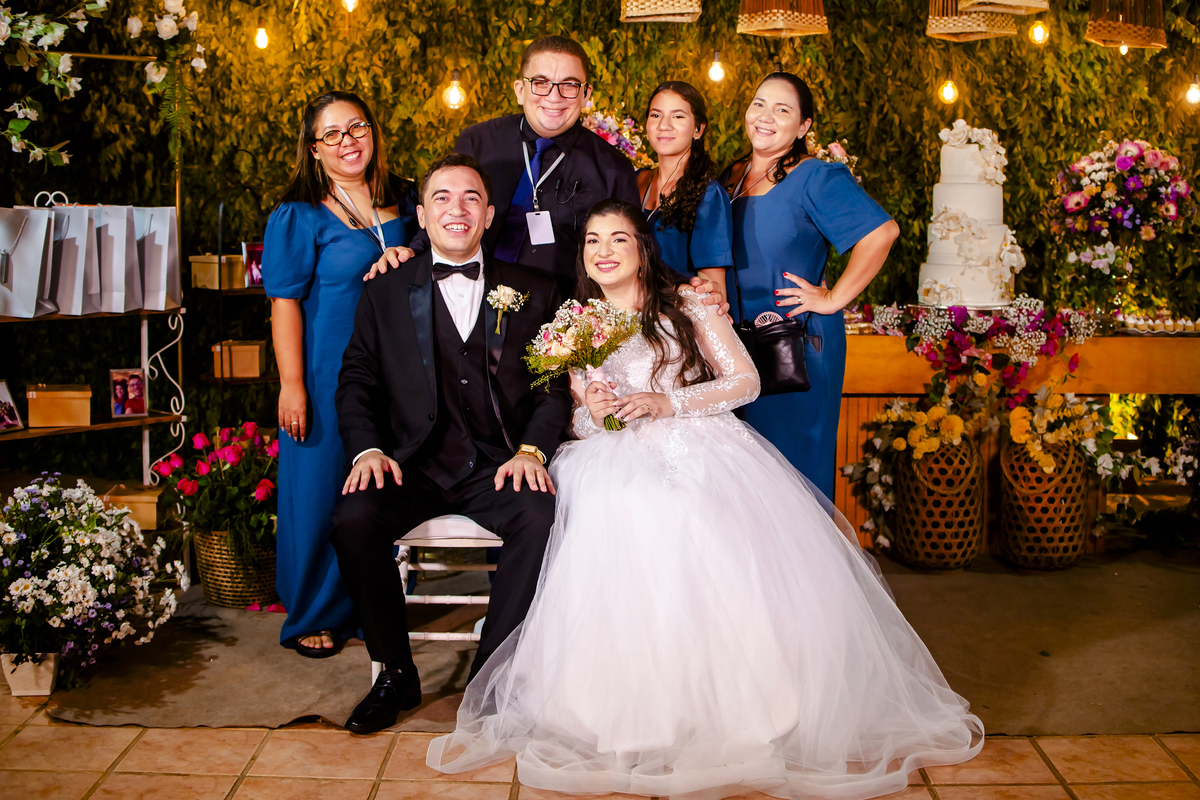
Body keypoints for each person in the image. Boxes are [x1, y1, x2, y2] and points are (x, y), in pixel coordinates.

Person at [426, 200, 983, 798]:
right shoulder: (573, 318)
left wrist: (668, 403)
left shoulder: (687, 304)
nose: (604, 250)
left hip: (695, 438)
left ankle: (736, 703)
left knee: (691, 517)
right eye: (592, 241)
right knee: (618, 508)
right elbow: (571, 406)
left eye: (618, 238)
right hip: (605, 452)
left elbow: (745, 380)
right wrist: (593, 403)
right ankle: (618, 707)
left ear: (643, 248)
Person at [330, 153, 572, 735]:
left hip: (498, 464)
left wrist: (532, 451)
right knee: (353, 518)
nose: (456, 209)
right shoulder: (384, 290)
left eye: (470, 198)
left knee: (540, 514)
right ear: (421, 213)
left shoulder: (536, 290)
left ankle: (492, 675)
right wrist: (368, 450)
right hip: (412, 465)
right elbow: (357, 378)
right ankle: (394, 670)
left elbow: (554, 386)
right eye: (441, 197)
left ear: (489, 215)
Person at [263, 90, 419, 659]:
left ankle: (368, 599)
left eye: (357, 128)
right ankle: (311, 611)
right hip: (326, 368)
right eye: (333, 134)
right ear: (314, 149)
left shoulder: (404, 197)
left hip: (395, 368)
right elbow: (283, 304)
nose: (348, 141)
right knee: (318, 489)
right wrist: (292, 384)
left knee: (376, 487)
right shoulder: (299, 215)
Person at [723, 72, 899, 498]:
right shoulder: (731, 176)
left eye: (783, 110)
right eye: (759, 103)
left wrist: (834, 297)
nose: (766, 116)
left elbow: (882, 233)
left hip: (794, 344)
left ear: (803, 127)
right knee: (742, 480)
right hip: (734, 347)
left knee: (791, 477)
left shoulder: (815, 176)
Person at [369, 35, 640, 297]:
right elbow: (448, 211)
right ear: (520, 91)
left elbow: (635, 249)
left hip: (566, 317)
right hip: (471, 301)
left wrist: (677, 285)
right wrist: (411, 251)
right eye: (541, 83)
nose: (554, 97)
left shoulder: (612, 168)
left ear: (585, 94)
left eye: (569, 85)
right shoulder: (478, 142)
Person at [637, 81, 732, 304]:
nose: (664, 125)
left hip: (678, 315)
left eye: (678, 117)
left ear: (698, 129)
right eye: (656, 115)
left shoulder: (708, 194)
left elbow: (712, 292)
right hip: (634, 311)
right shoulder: (637, 180)